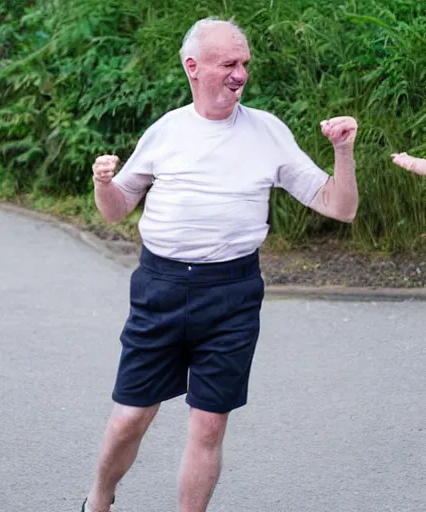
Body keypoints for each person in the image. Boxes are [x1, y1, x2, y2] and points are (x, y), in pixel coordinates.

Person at [82, 17, 359, 512]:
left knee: (209, 424)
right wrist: (104, 185)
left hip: (232, 293)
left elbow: (340, 207)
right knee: (131, 416)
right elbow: (119, 208)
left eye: (245, 64)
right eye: (228, 63)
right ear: (193, 67)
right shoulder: (167, 131)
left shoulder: (267, 132)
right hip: (160, 288)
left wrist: (343, 152)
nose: (239, 74)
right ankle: (99, 498)